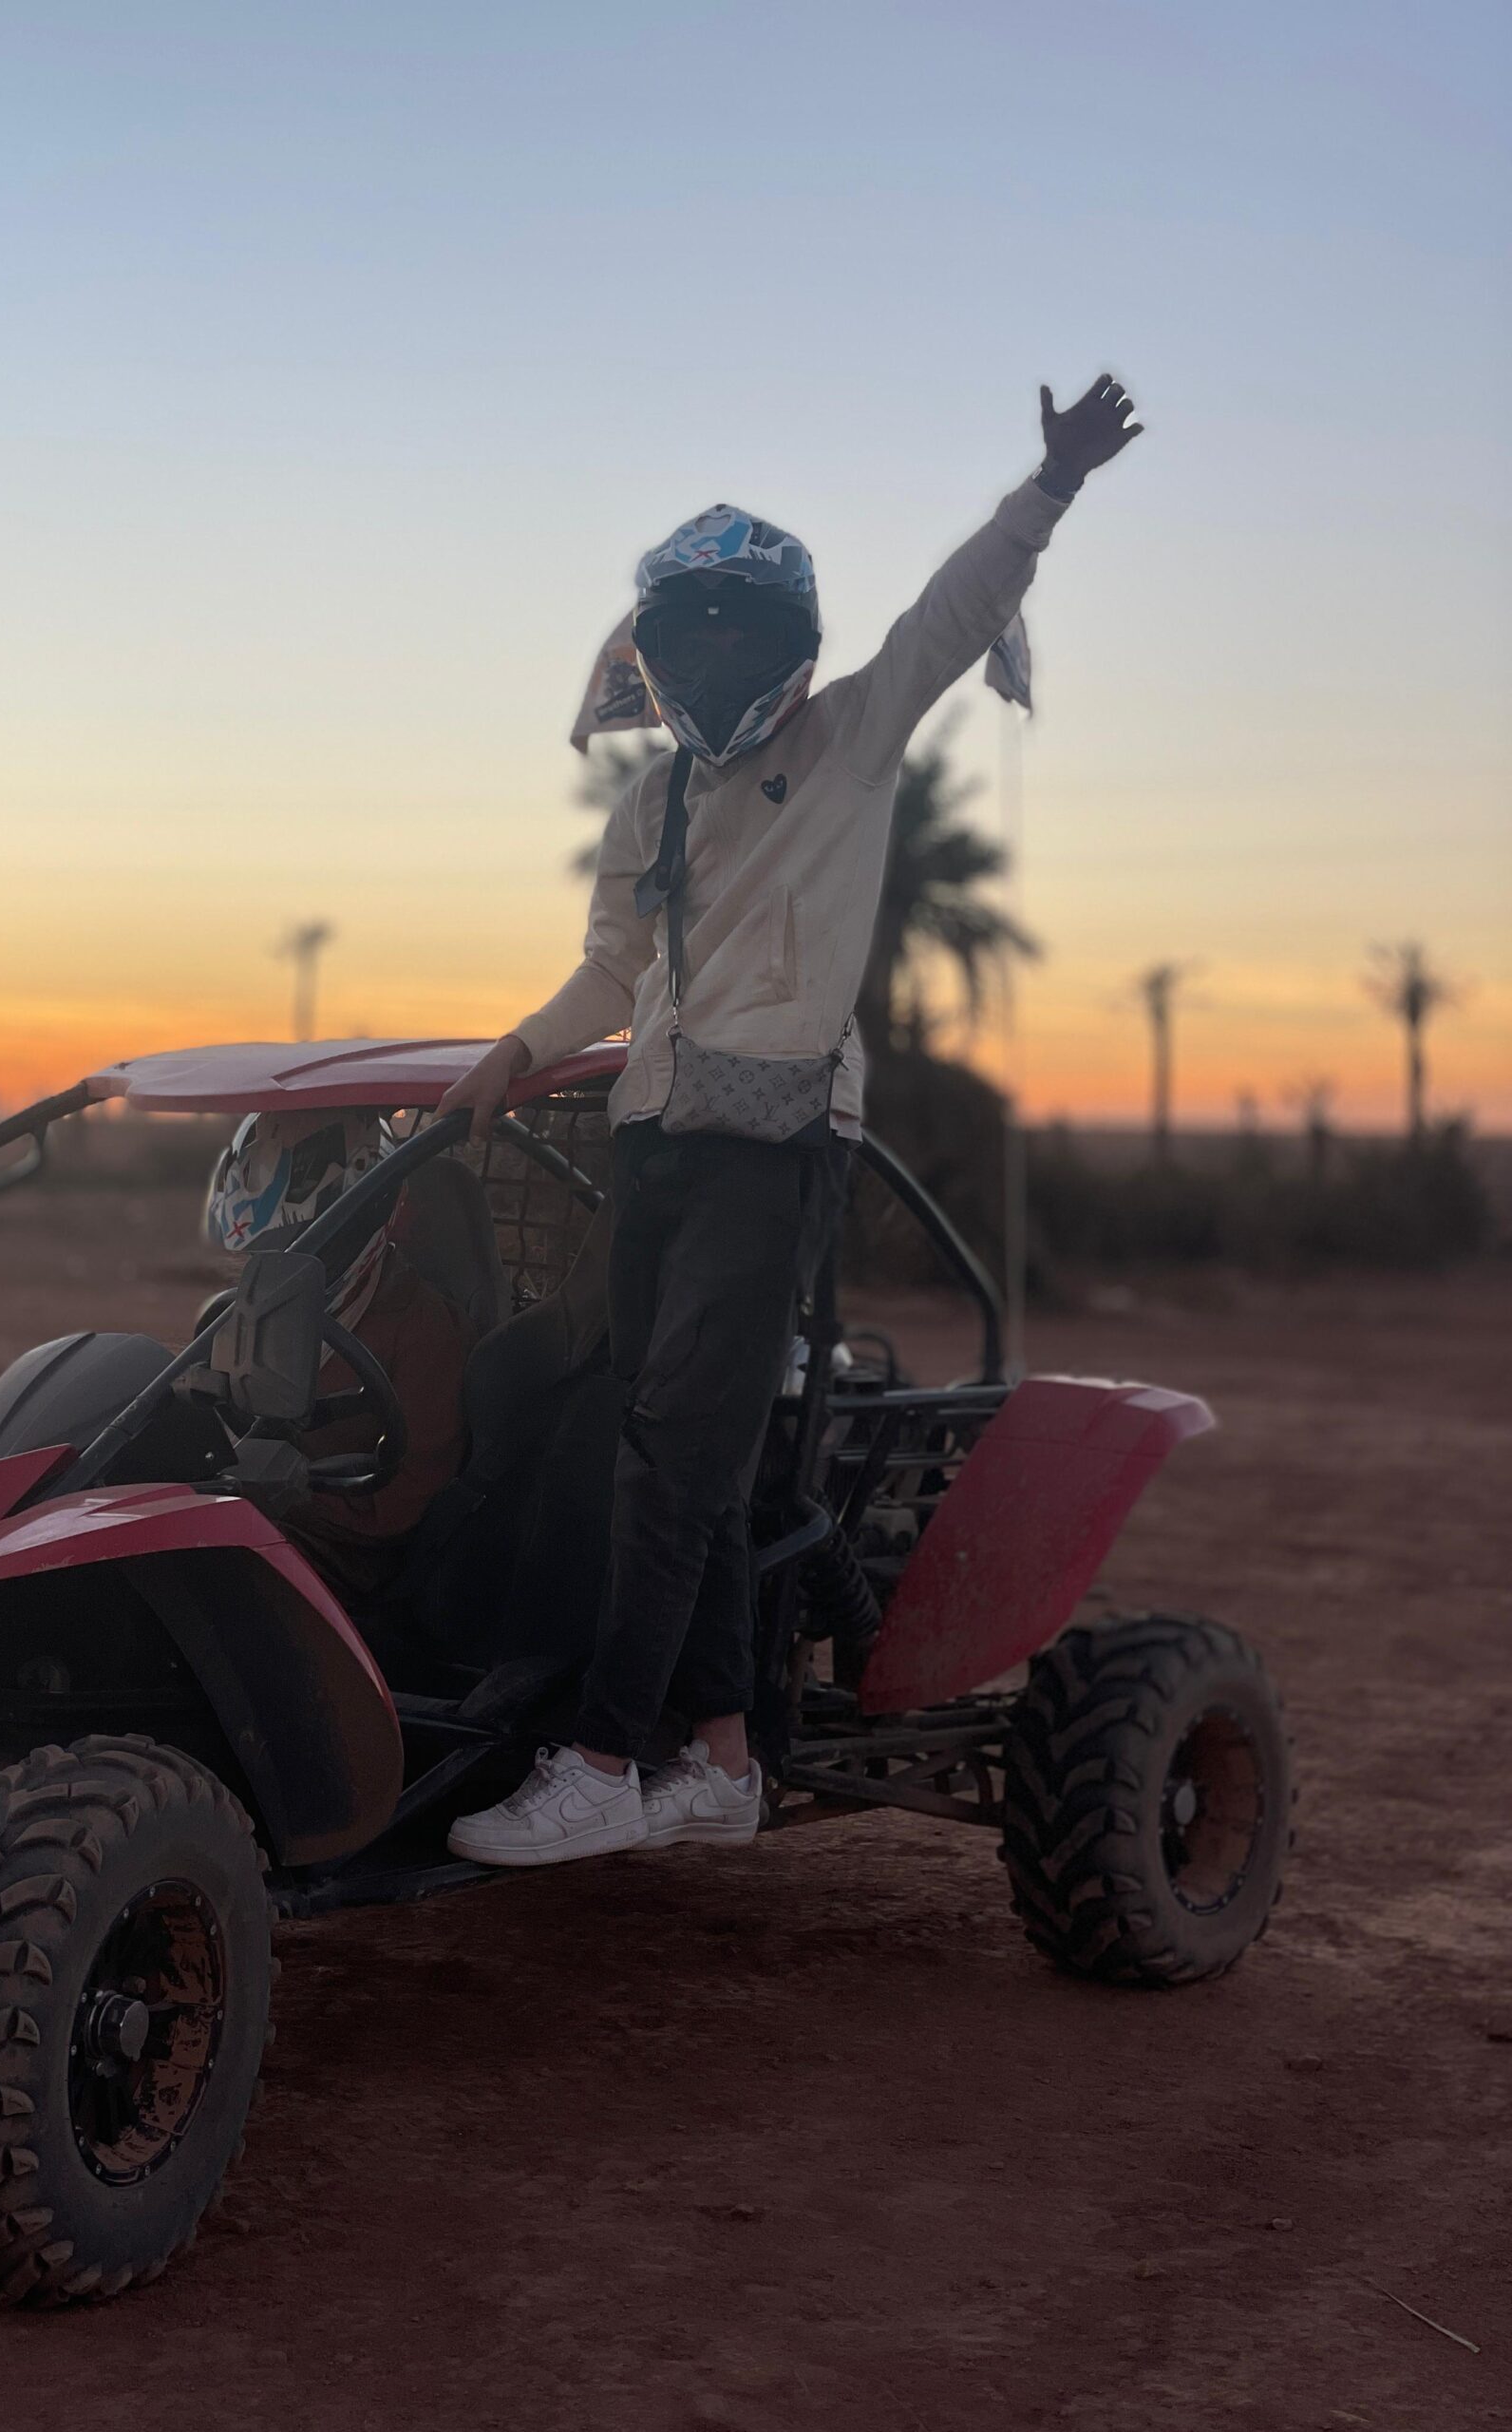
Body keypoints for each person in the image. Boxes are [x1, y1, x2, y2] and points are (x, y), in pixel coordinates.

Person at [441, 376, 1143, 1867]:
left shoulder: (852, 740)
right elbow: (612, 975)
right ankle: (720, 1757)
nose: (710, 654)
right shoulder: (654, 810)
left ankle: (602, 1762)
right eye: (685, 629)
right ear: (656, 649)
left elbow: (955, 613)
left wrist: (1050, 487)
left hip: (776, 1151)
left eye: (735, 629)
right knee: (657, 1438)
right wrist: (514, 1049)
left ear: (785, 641)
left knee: (673, 1460)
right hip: (656, 1139)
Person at [203, 1109, 471, 1594]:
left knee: (216, 1578)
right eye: (274, 1246)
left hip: (354, 1551)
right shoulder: (265, 1302)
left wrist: (297, 1497)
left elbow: (404, 1502)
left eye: (303, 1241)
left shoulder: (425, 1328)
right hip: (261, 1510)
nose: (283, 1258)